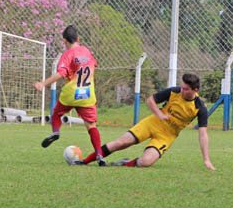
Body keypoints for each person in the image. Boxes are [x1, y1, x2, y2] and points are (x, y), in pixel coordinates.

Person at [80, 73, 216, 170]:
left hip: (167, 136)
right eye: (182, 87)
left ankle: (123, 164)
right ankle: (85, 161)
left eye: (186, 89)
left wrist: (206, 160)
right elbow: (150, 100)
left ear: (195, 90)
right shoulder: (173, 92)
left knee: (146, 162)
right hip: (152, 123)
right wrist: (159, 114)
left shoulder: (200, 108)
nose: (182, 90)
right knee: (122, 142)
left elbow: (203, 134)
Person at [34, 25, 106, 166]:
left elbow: (61, 74)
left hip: (71, 92)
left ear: (65, 41)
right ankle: (99, 154)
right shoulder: (86, 51)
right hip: (87, 93)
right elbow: (92, 65)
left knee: (56, 114)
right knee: (91, 125)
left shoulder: (67, 54)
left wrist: (43, 83)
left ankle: (56, 132)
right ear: (78, 38)